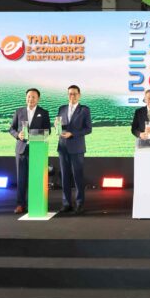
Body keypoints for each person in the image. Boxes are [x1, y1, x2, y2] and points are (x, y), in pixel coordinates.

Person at [8, 88, 51, 215]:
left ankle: (35, 203)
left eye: (33, 97)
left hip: (37, 150)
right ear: (25, 97)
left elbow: (48, 131)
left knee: (36, 178)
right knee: (21, 179)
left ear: (38, 99)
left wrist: (34, 134)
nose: (30, 99)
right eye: (28, 96)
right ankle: (20, 204)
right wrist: (18, 135)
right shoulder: (19, 111)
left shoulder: (43, 112)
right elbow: (11, 129)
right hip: (21, 150)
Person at [57, 85, 92, 215]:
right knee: (65, 176)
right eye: (70, 94)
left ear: (79, 95)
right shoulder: (62, 108)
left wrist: (72, 133)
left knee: (78, 177)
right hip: (62, 147)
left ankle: (79, 203)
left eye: (75, 94)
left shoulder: (84, 110)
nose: (72, 96)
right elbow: (59, 125)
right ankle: (66, 203)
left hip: (77, 148)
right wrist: (57, 127)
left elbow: (88, 129)